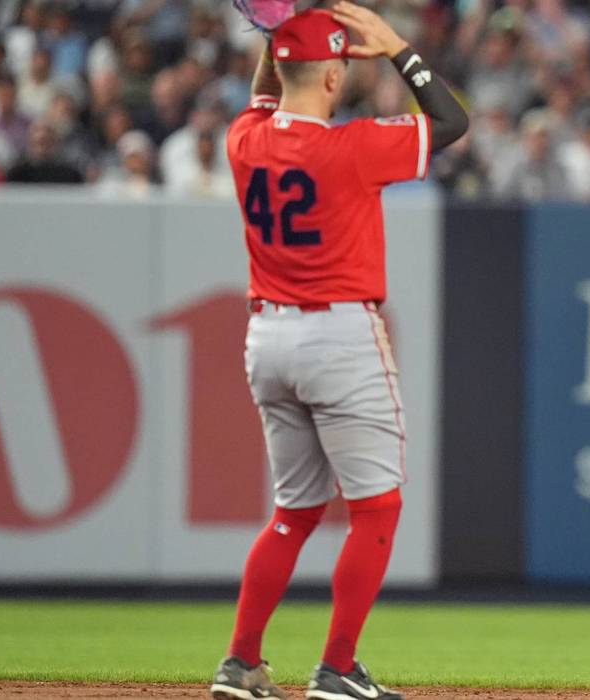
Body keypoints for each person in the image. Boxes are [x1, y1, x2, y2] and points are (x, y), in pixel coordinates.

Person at [210, 4, 467, 700]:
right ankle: (338, 668)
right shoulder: (350, 147)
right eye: (342, 68)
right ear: (330, 77)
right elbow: (451, 123)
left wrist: (279, 35)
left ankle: (241, 662)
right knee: (376, 511)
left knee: (293, 512)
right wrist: (396, 49)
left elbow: (267, 92)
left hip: (267, 338)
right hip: (339, 336)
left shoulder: (244, 138)